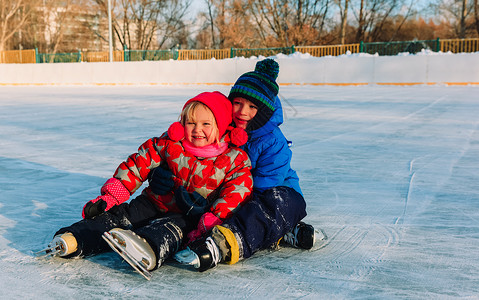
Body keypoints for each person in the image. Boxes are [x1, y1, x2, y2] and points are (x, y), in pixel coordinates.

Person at [39, 91, 253, 278]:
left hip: (189, 216)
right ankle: (77, 238)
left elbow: (237, 192)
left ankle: (148, 248)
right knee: (120, 217)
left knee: (170, 230)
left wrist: (212, 218)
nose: (197, 130)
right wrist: (112, 195)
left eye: (206, 124)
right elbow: (137, 164)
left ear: (221, 126)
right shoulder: (169, 143)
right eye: (191, 123)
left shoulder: (233, 158)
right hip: (154, 202)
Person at [153, 59, 317, 272]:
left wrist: (225, 207)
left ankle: (224, 242)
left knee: (273, 206)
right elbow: (181, 142)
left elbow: (261, 188)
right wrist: (160, 171)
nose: (242, 112)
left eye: (252, 107)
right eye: (237, 103)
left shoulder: (273, 142)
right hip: (226, 194)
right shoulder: (221, 124)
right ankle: (275, 231)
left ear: (265, 110)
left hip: (270, 193)